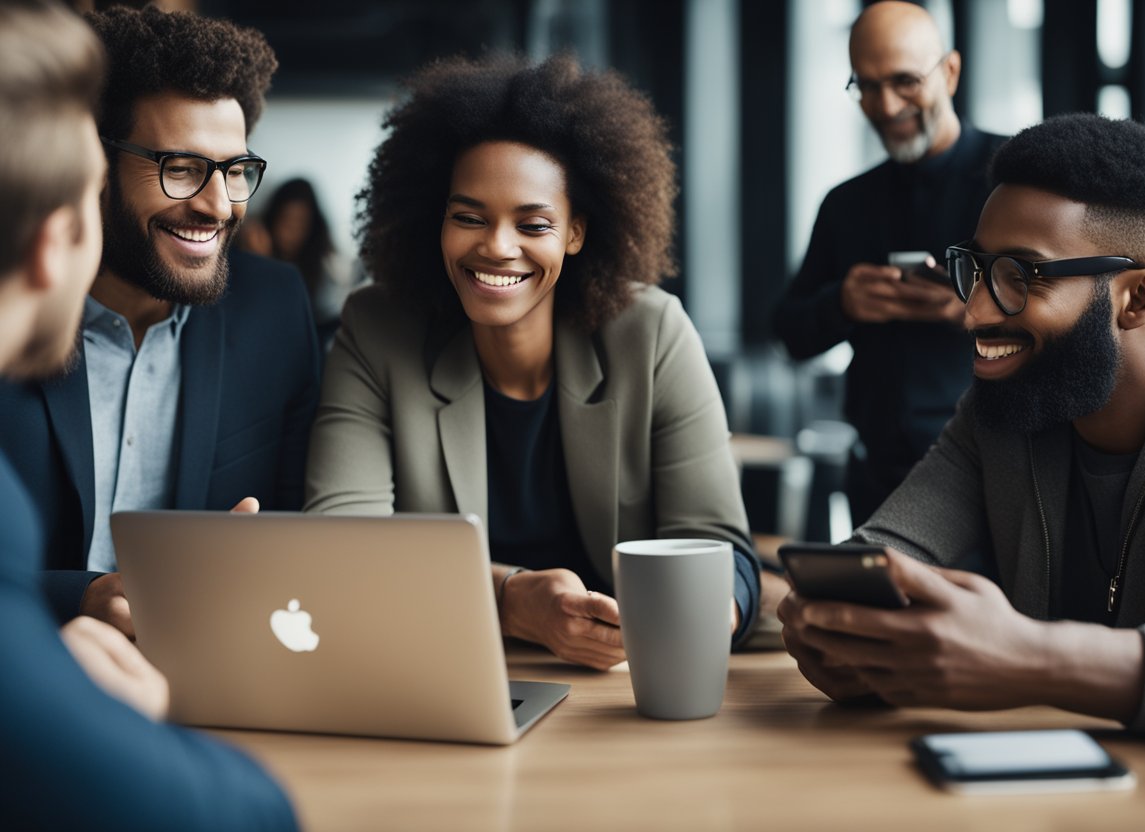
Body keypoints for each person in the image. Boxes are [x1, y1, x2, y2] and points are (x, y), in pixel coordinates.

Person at [305, 54, 761, 670]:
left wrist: (701, 614)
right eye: (468, 217)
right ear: (434, 220)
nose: (496, 246)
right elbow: (340, 551)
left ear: (575, 232)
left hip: (630, 678)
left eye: (533, 223)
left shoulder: (651, 334)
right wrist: (510, 601)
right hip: (442, 669)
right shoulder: (377, 331)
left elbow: (720, 552)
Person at [779, 113, 1145, 741]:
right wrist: (838, 627)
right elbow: (884, 553)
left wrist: (1036, 661)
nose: (974, 313)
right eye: (978, 270)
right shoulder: (1008, 405)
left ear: (1138, 299)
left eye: (1021, 277)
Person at [0, 2, 297, 828]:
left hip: (225, 695)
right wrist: (89, 598)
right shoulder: (21, 329)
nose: (218, 203)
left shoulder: (275, 313)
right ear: (89, 177)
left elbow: (309, 522)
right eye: (179, 166)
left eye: (236, 171)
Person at [774, 0, 1005, 522]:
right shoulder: (846, 202)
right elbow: (788, 329)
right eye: (868, 86)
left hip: (995, 473)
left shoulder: (1012, 182)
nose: (886, 104)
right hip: (877, 477)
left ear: (949, 72)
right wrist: (843, 302)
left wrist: (972, 311)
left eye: (904, 81)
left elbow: (1069, 314)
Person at [242, 177, 364, 348]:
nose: (292, 231)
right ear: (274, 218)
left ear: (312, 226)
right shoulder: (257, 252)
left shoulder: (324, 268)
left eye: (300, 222)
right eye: (286, 220)